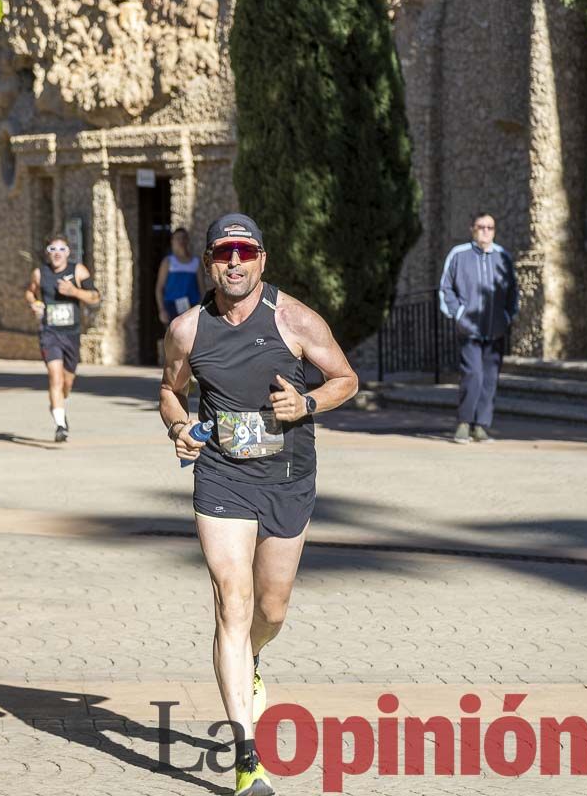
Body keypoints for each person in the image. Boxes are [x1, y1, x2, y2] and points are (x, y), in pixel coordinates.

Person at [159, 213, 358, 796]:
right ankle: (248, 759)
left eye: (245, 252)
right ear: (210, 262)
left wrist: (309, 405)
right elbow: (171, 390)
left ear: (262, 260)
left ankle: (251, 662)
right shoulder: (188, 329)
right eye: (224, 253)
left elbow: (346, 378)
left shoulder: (293, 318)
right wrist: (179, 425)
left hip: (286, 479)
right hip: (220, 477)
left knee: (271, 609)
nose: (235, 263)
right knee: (233, 603)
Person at [438, 212, 518, 444]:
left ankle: (481, 425)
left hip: (495, 329)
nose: (485, 231)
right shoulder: (459, 255)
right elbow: (446, 288)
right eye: (481, 227)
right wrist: (459, 314)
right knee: (473, 374)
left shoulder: (503, 257)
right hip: (469, 329)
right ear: (472, 229)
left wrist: (506, 316)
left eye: (490, 227)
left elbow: (513, 290)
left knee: (490, 377)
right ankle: (464, 423)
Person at [24, 232, 100, 442]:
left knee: (66, 383)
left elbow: (95, 297)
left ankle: (58, 406)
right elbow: (30, 292)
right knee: (54, 378)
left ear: (68, 252)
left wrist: (74, 291)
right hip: (49, 333)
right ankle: (60, 425)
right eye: (53, 249)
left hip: (71, 335)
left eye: (62, 249)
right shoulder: (40, 273)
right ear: (47, 253)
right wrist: (34, 303)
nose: (57, 254)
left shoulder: (77, 271)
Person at [155, 227, 206, 325]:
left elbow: (202, 289)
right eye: (178, 238)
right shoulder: (168, 262)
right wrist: (161, 310)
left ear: (187, 240)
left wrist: (202, 308)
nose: (181, 240)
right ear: (172, 241)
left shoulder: (196, 262)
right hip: (171, 306)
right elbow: (159, 288)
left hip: (191, 306)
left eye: (183, 238)